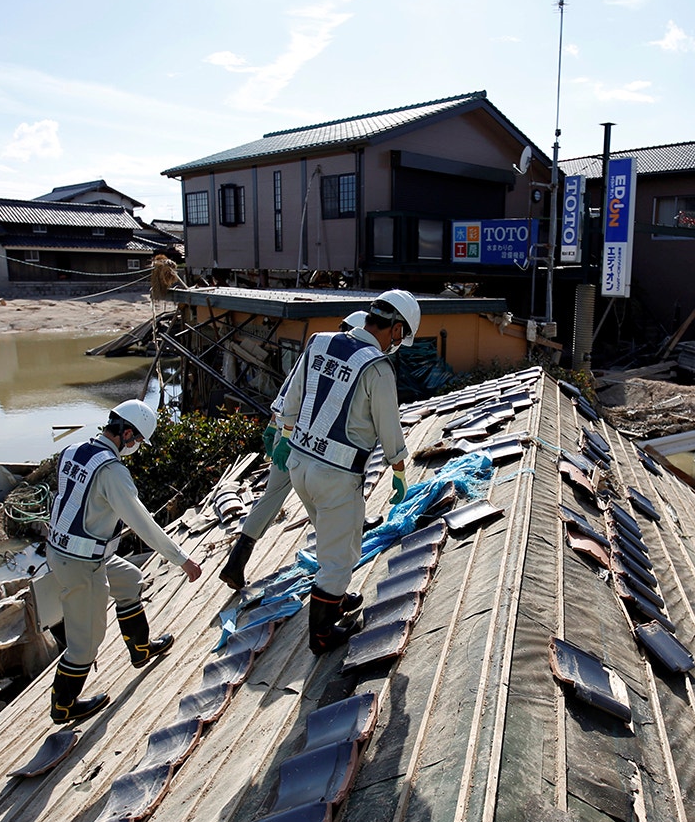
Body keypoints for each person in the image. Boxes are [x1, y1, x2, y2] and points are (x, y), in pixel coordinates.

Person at [44, 399, 203, 723]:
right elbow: (142, 523)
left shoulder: (73, 450)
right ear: (127, 433)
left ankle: (140, 648)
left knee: (129, 579)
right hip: (80, 563)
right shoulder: (112, 472)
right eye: (139, 441)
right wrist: (181, 559)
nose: (138, 447)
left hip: (69, 551)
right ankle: (63, 706)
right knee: (85, 642)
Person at [275, 290, 416, 654]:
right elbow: (389, 427)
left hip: (299, 465)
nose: (398, 342)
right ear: (395, 328)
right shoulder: (377, 367)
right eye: (401, 335)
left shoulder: (319, 341)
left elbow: (290, 400)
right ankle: (322, 636)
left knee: (337, 540)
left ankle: (334, 597)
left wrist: (285, 436)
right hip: (336, 476)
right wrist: (399, 470)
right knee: (338, 559)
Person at [219, 311, 369, 591]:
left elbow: (288, 392)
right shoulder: (348, 362)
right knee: (331, 499)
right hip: (306, 444)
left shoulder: (318, 351)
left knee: (273, 496)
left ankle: (236, 562)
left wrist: (274, 429)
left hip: (287, 436)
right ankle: (335, 573)